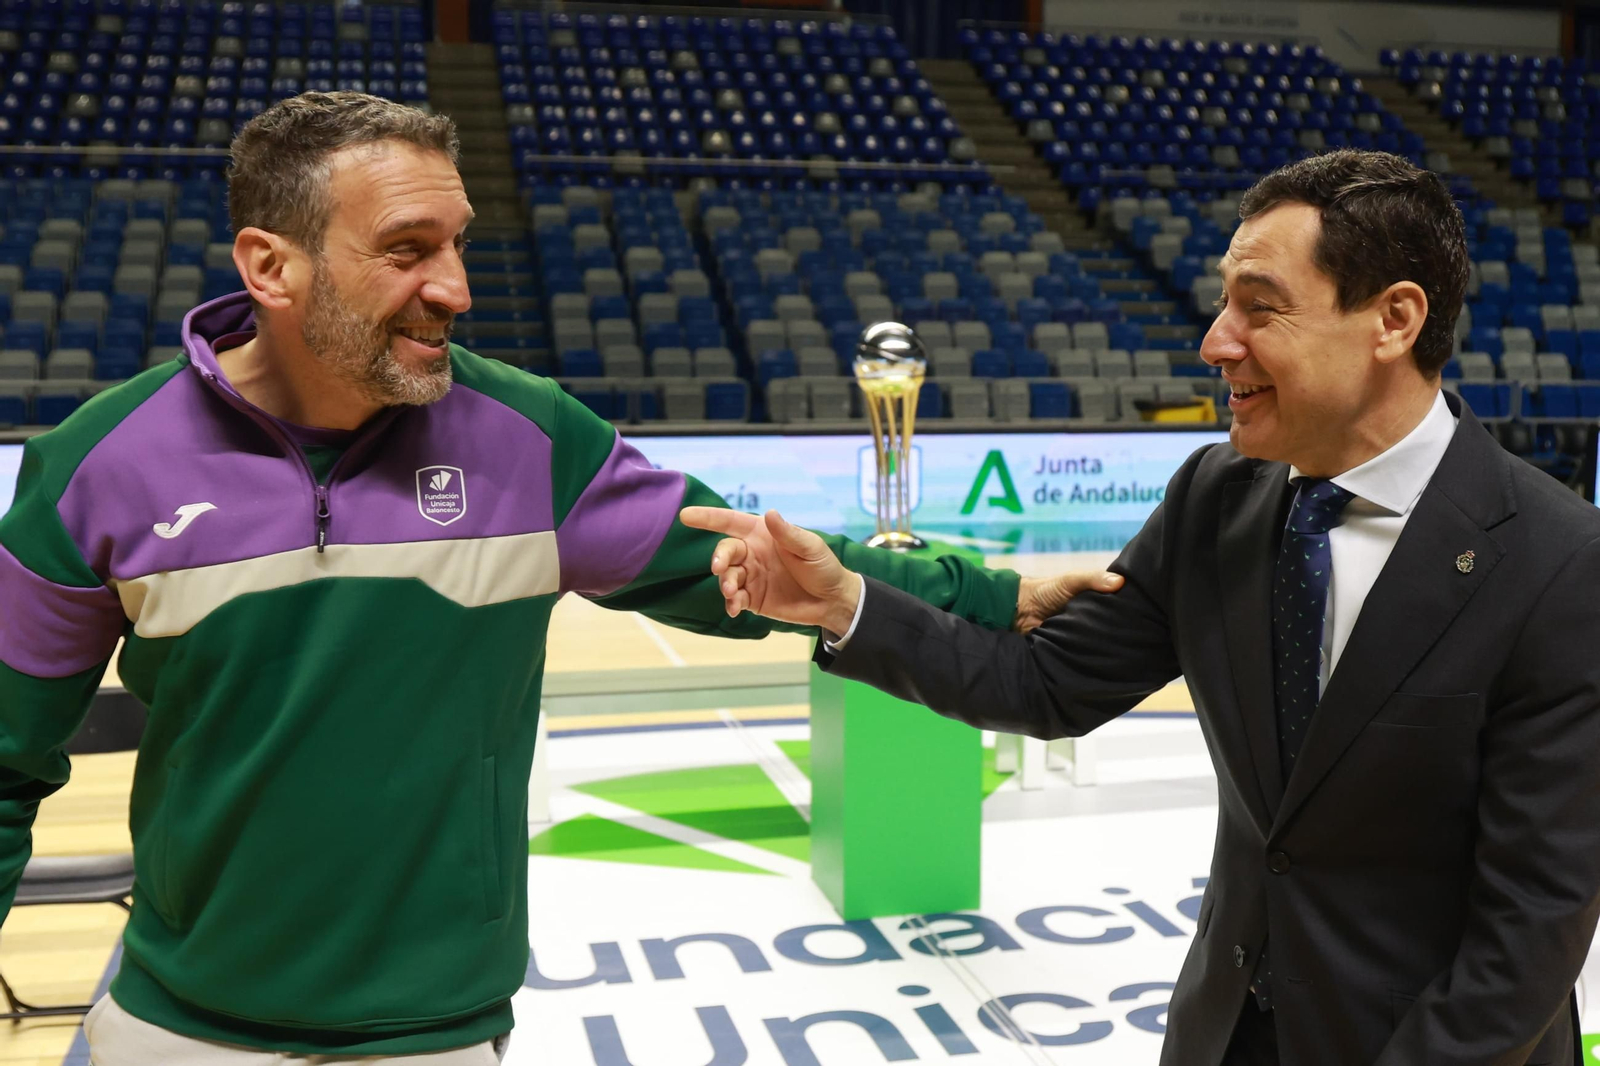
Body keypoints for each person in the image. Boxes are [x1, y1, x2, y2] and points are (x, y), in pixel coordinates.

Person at [0, 92, 1113, 1065]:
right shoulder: (96, 468)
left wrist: (991, 594)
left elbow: (755, 561)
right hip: (177, 1019)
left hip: (434, 1028)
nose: (456, 288)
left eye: (459, 244)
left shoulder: (526, 439)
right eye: (407, 248)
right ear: (269, 266)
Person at [684, 149, 1600, 1066]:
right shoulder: (1216, 497)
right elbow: (1046, 684)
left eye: (1259, 305)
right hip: (1222, 1035)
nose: (1214, 341)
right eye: (1222, 301)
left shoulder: (1560, 562)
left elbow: (1527, 935)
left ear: (1393, 320)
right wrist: (847, 605)